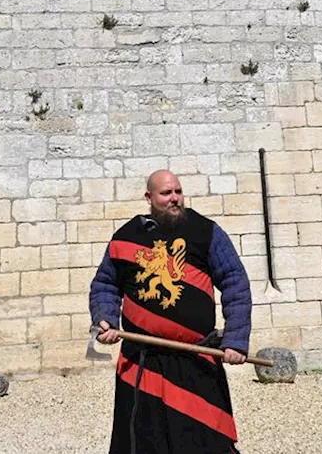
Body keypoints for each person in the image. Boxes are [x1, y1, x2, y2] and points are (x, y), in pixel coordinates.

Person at [88, 169, 252, 454]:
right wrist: (105, 319)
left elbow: (235, 282)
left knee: (204, 440)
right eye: (166, 193)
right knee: (144, 442)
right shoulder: (126, 237)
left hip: (196, 359)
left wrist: (236, 339)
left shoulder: (206, 232)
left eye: (178, 191)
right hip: (141, 362)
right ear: (149, 197)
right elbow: (106, 283)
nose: (175, 198)